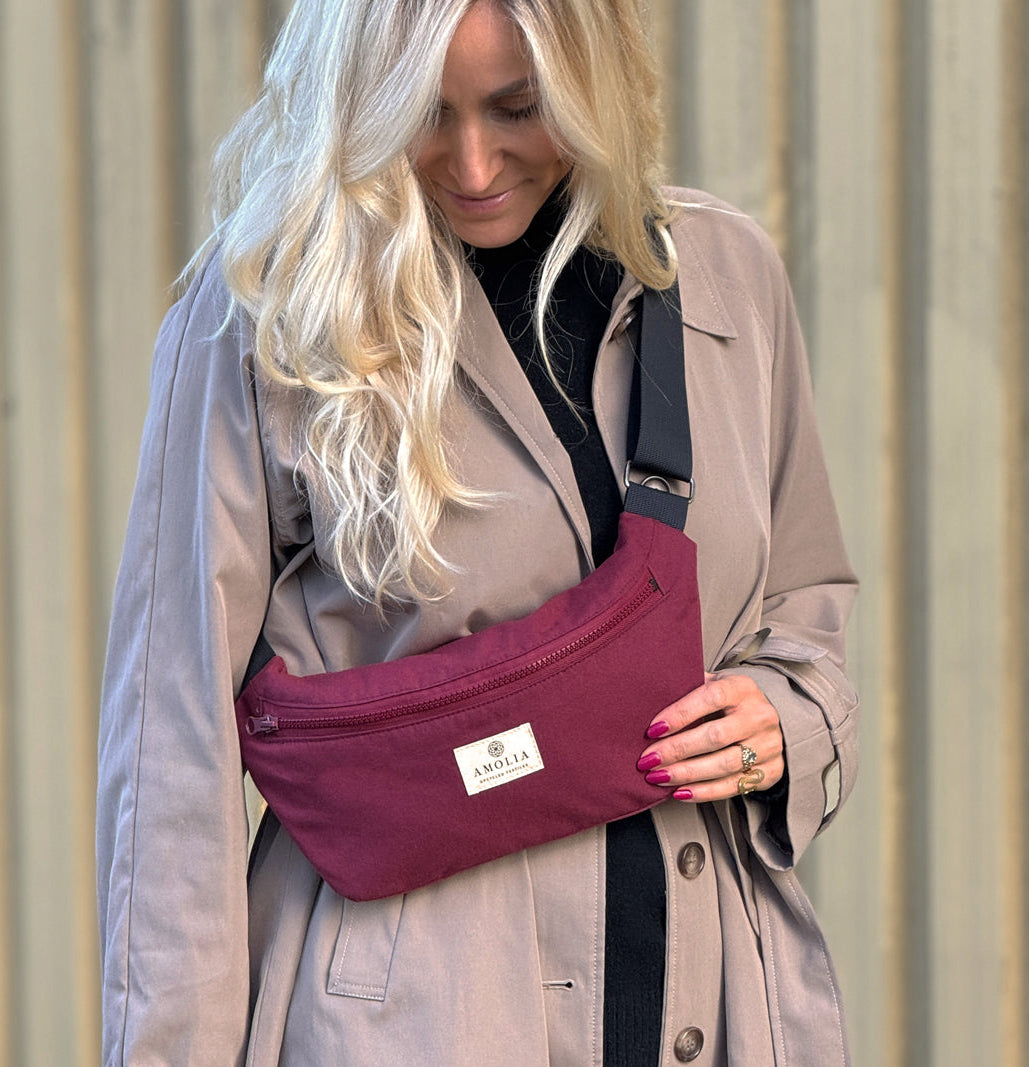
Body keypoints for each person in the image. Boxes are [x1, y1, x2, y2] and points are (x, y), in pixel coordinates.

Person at [96, 0, 859, 1063]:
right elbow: (168, 741)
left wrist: (790, 716)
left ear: (590, 82)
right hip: (415, 1013)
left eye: (518, 107)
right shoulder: (261, 324)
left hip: (712, 980)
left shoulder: (726, 276)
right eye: (421, 113)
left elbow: (802, 608)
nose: (470, 161)